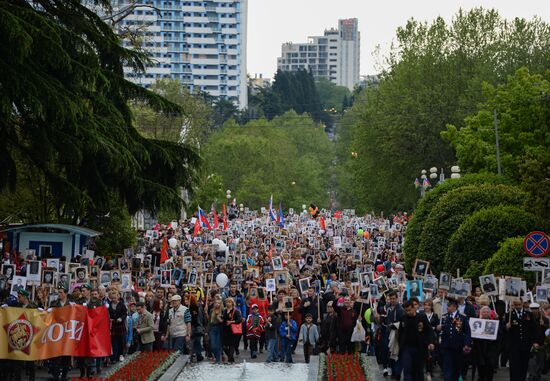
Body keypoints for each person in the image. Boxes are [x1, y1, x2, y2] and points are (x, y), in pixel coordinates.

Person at [397, 300, 436, 381]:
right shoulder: (403, 318)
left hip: (419, 348)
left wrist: (431, 342)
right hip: (407, 348)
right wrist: (401, 345)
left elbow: (429, 331)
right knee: (407, 369)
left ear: (414, 308)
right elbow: (400, 333)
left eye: (409, 310)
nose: (408, 312)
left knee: (418, 371)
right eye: (406, 310)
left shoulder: (421, 317)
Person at [506, 299, 542, 381]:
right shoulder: (509, 315)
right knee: (514, 366)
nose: (518, 306)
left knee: (524, 365)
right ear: (513, 305)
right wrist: (506, 327)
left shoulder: (528, 314)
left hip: (525, 345)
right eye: (516, 305)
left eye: (519, 304)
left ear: (522, 304)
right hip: (514, 345)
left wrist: (536, 341)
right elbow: (504, 331)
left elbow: (535, 329)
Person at [437, 298, 472, 381]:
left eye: (449, 306)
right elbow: (440, 329)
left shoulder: (461, 317)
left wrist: (467, 344)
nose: (448, 308)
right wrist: (438, 328)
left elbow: (467, 332)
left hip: (458, 347)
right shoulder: (444, 317)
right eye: (448, 306)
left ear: (454, 307)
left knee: (456, 368)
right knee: (447, 367)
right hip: (447, 346)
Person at [108, 289, 128, 363]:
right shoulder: (109, 304)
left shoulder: (122, 304)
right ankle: (114, 357)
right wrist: (109, 318)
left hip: (120, 325)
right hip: (112, 325)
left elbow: (125, 314)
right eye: (112, 298)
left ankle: (121, 355)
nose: (113, 299)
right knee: (113, 342)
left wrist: (121, 318)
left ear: (118, 297)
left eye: (115, 298)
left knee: (121, 341)